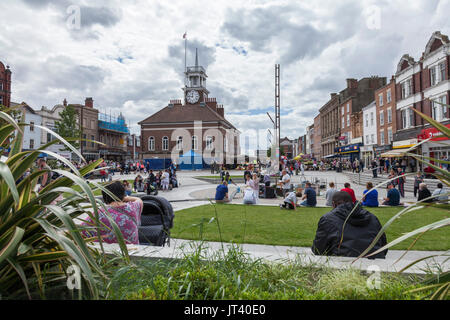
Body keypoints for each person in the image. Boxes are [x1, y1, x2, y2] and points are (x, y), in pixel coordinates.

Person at [311, 191, 388, 259]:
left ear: (333, 204)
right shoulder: (372, 217)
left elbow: (318, 249)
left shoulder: (328, 219)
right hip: (374, 264)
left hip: (343, 266)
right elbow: (384, 246)